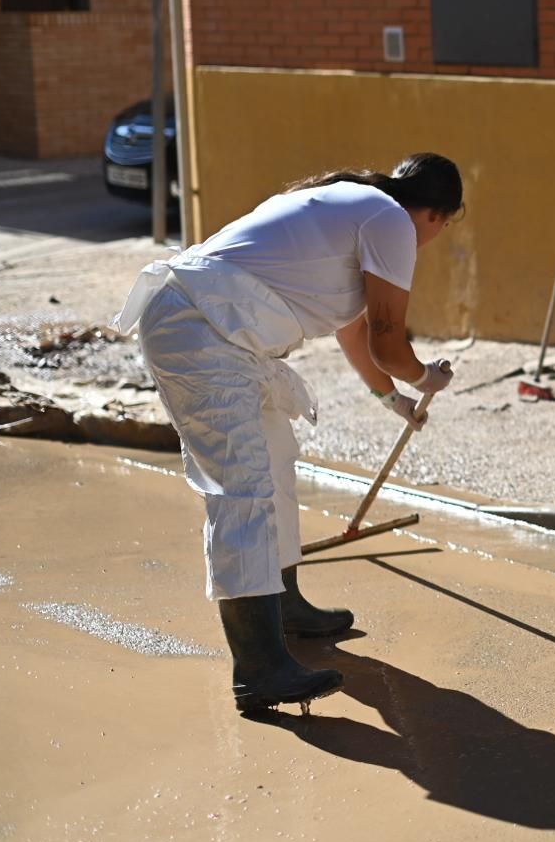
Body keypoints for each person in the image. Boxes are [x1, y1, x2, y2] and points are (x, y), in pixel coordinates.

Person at [111, 153, 464, 714]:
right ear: (441, 216)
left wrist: (395, 399)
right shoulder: (391, 220)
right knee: (242, 493)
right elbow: (388, 344)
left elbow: (357, 338)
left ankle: (285, 605)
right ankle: (258, 667)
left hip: (226, 335)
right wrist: (427, 378)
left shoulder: (358, 211)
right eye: (444, 226)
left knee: (276, 463)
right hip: (202, 331)